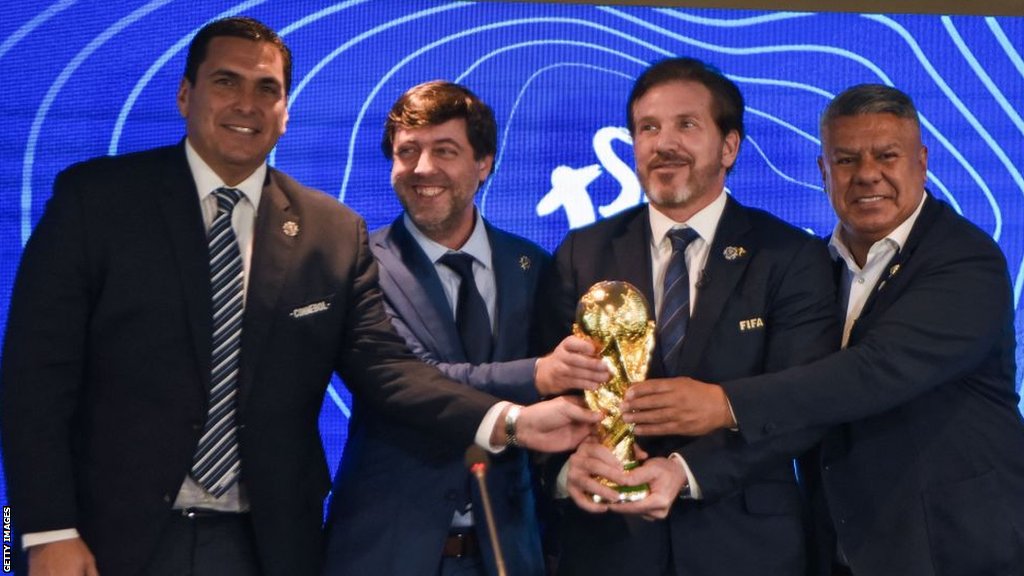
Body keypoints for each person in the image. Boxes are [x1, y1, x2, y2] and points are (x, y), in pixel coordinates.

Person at [0, 17, 598, 576]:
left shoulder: (329, 230)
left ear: (285, 112)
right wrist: (46, 529)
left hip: (267, 543)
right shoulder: (96, 201)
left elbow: (388, 372)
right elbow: (35, 378)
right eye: (226, 82)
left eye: (267, 89)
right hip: (107, 538)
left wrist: (511, 422)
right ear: (185, 95)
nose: (246, 104)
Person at [621, 84, 1024, 575]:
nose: (867, 175)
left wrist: (722, 404)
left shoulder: (965, 259)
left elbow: (873, 371)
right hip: (843, 544)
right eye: (847, 159)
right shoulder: (812, 264)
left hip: (955, 544)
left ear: (921, 161)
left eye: (887, 156)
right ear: (823, 171)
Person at [536, 56, 841, 575]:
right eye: (647, 128)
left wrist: (687, 470)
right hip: (608, 544)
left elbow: (802, 405)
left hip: (745, 546)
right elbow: (544, 389)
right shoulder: (580, 254)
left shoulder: (790, 257)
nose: (663, 143)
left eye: (687, 125)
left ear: (729, 146)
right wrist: (565, 468)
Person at [322, 81, 608, 576]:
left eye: (445, 151)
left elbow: (565, 413)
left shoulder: (534, 267)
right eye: (406, 152)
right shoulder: (358, 263)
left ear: (484, 164)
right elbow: (413, 380)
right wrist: (539, 374)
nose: (422, 169)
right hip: (385, 551)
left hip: (509, 551)